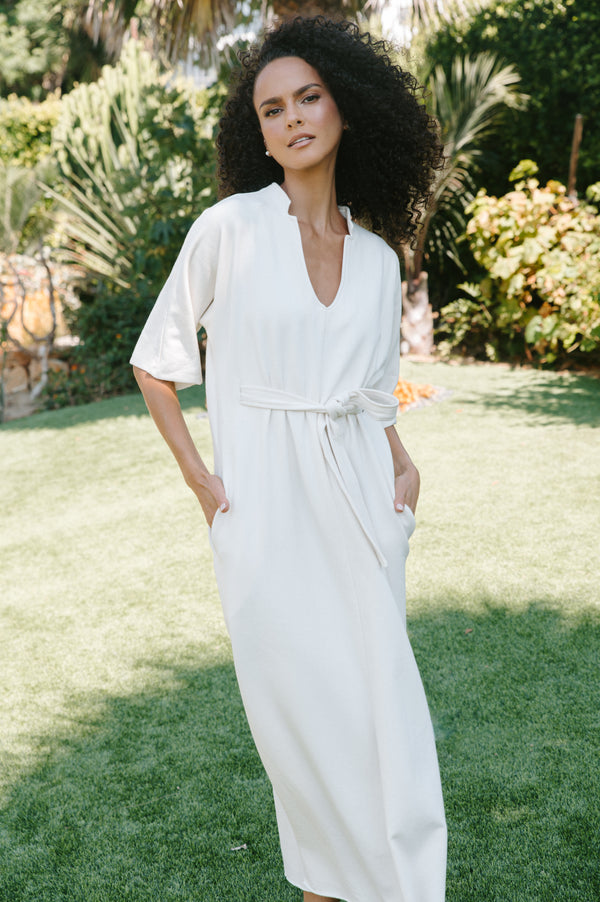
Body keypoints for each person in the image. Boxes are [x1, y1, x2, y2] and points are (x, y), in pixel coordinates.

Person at [131, 16, 446, 902]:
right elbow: (158, 364)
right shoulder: (231, 227)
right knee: (303, 731)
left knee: (381, 717)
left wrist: (401, 468)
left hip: (359, 500)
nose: (293, 119)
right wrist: (205, 485)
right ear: (256, 131)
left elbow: (376, 393)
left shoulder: (380, 260)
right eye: (272, 109)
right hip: (264, 511)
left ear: (347, 105)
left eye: (309, 97)